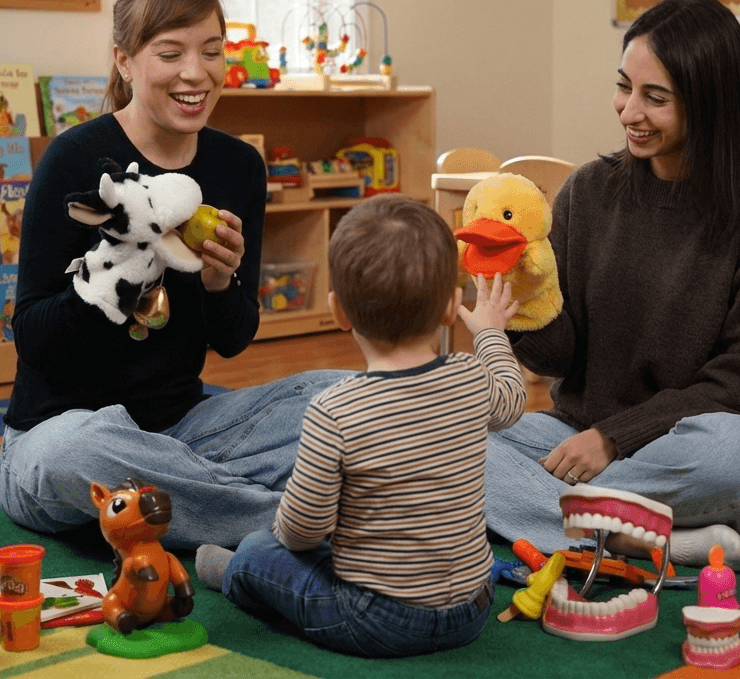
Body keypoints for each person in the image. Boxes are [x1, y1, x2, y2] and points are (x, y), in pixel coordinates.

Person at [0, 0, 348, 549]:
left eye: (211, 52)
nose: (195, 73)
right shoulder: (75, 159)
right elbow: (33, 338)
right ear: (125, 61)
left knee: (339, 397)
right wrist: (110, 280)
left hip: (183, 432)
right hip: (58, 437)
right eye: (170, 53)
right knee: (76, 450)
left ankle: (207, 498)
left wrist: (217, 282)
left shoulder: (238, 166)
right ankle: (298, 523)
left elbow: (234, 340)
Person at [485, 0, 740, 571]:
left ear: (708, 104)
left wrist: (614, 438)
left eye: (654, 98)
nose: (628, 110)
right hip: (578, 435)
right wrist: (523, 295)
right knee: (453, 443)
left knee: (737, 453)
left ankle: (555, 518)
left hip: (694, 453)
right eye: (623, 87)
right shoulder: (589, 190)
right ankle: (645, 538)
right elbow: (560, 358)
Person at [195, 194, 527, 657]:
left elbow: (302, 532)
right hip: (472, 608)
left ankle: (235, 576)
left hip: (377, 619)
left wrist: (296, 533)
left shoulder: (336, 410)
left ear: (337, 312)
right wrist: (490, 331)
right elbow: (512, 396)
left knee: (257, 550)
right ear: (452, 307)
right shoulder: (471, 378)